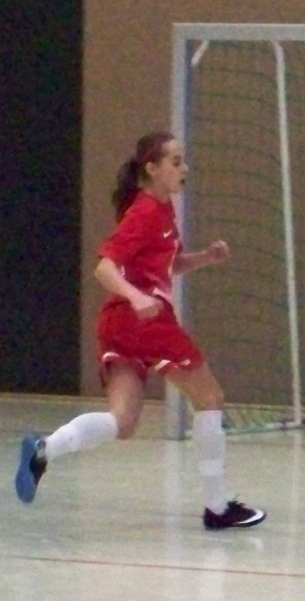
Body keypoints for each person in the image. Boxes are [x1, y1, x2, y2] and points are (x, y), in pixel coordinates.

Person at [14, 131, 266, 530]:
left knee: (123, 421)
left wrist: (205, 258)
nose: (185, 168)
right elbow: (104, 267)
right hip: (142, 320)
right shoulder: (145, 211)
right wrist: (136, 297)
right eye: (176, 162)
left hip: (119, 323)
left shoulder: (163, 212)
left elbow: (165, 265)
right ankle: (218, 508)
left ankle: (44, 450)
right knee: (210, 397)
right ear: (152, 168)